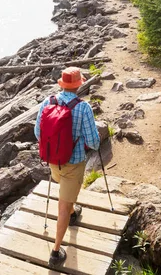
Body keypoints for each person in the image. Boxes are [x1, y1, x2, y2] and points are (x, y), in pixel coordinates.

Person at [34, 66, 100, 268]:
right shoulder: (83, 108)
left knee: (66, 195)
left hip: (53, 162)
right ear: (79, 85)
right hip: (73, 163)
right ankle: (55, 252)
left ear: (61, 84)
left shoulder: (48, 101)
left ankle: (73, 212)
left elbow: (38, 132)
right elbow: (94, 142)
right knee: (63, 206)